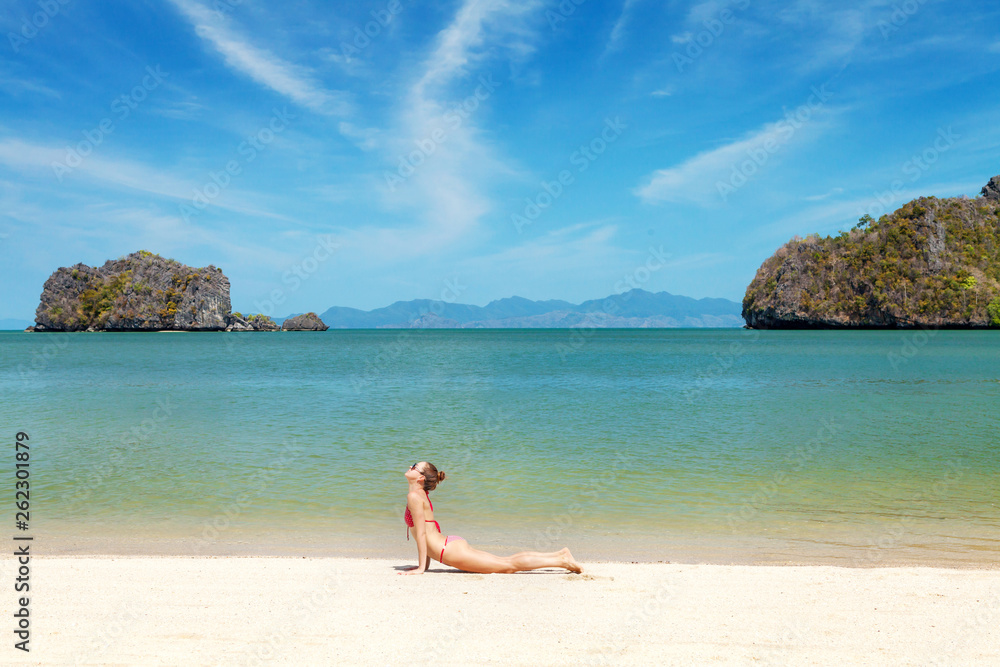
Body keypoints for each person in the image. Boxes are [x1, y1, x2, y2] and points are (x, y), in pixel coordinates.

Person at [400, 461, 583, 575]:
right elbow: (426, 532)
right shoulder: (419, 495)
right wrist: (426, 564)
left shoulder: (415, 497)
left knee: (507, 565)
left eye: (414, 466)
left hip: (448, 551)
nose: (410, 466)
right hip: (448, 545)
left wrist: (421, 568)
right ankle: (560, 555)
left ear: (421, 478)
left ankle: (561, 561)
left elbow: (423, 535)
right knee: (504, 561)